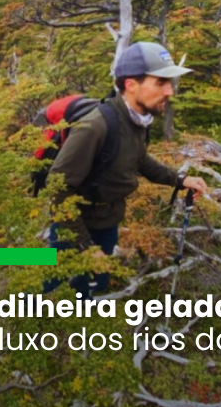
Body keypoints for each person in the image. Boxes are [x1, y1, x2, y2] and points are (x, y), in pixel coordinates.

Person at [45, 42, 208, 298]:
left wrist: (180, 179)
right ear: (131, 84)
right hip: (76, 226)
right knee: (57, 288)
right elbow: (57, 187)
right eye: (160, 82)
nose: (169, 91)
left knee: (94, 285)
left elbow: (139, 159)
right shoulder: (95, 126)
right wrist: (85, 247)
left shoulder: (138, 119)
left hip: (108, 221)